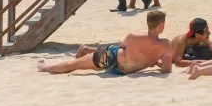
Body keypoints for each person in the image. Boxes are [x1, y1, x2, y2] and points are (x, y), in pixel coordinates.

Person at [37, 10, 171, 75]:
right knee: (74, 65)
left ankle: (87, 49)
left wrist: (149, 60)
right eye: (163, 23)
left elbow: (123, 47)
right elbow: (166, 69)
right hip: (111, 58)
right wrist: (152, 60)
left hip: (113, 60)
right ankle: (45, 68)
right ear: (160, 25)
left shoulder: (133, 37)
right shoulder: (165, 45)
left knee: (109, 52)